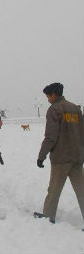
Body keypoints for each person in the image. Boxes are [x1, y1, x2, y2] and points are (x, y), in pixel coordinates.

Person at [33, 83, 84, 227]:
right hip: (77, 157)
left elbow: (50, 137)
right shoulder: (75, 109)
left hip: (61, 158)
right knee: (82, 191)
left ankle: (48, 216)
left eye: (48, 96)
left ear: (54, 95)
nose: (48, 99)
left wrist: (41, 156)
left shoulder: (54, 109)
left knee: (54, 189)